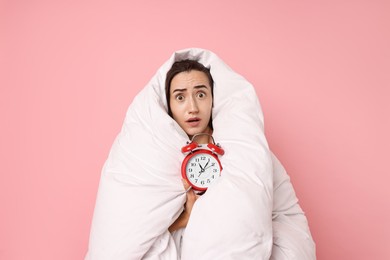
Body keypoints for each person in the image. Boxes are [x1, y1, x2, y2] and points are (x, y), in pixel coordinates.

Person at [164, 60, 214, 233]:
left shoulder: (240, 145)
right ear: (168, 106)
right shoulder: (157, 154)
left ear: (213, 100)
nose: (192, 108)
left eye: (201, 95)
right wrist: (186, 218)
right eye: (180, 97)